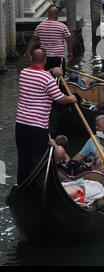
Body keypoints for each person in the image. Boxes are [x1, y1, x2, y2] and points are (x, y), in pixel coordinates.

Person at [16, 48, 77, 184]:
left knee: (24, 158)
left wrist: (51, 71)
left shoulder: (23, 73)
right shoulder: (47, 78)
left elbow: (39, 76)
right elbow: (59, 98)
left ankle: (21, 186)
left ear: (31, 59)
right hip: (37, 127)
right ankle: (35, 186)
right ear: (45, 61)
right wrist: (71, 98)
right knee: (37, 159)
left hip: (20, 125)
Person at [26, 6, 73, 75]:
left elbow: (33, 40)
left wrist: (28, 52)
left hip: (44, 58)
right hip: (58, 57)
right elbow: (69, 40)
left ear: (48, 15)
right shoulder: (62, 26)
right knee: (59, 77)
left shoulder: (40, 26)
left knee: (44, 75)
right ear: (57, 15)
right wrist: (70, 52)